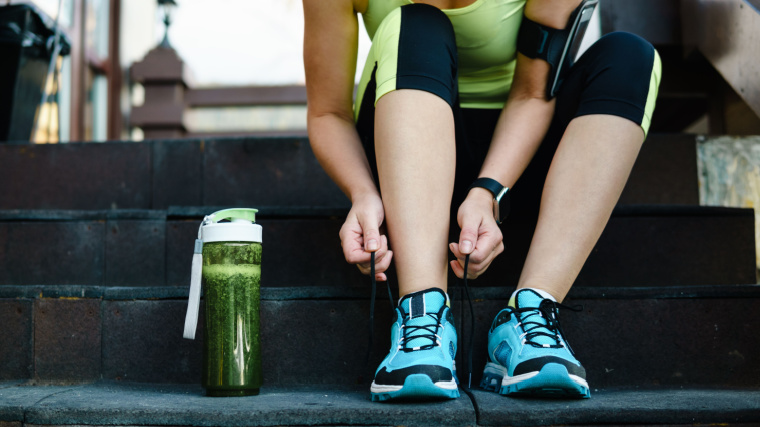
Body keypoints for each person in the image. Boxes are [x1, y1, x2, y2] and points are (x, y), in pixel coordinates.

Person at [303, 0, 661, 402]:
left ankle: (532, 312)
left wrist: (488, 192)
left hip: (512, 157)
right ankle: (422, 315)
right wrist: (363, 193)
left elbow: (532, 93)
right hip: (403, 154)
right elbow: (327, 113)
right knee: (418, 22)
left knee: (630, 56)